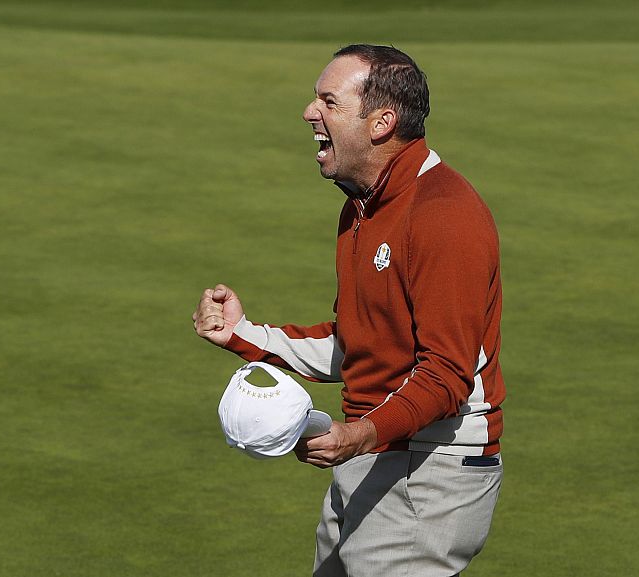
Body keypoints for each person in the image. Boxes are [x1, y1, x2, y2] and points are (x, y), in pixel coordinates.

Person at [193, 44, 505, 577]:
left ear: (381, 122)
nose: (309, 112)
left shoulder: (443, 217)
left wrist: (359, 435)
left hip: (424, 470)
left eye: (328, 101)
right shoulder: (362, 206)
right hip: (377, 454)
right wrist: (242, 334)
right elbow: (359, 344)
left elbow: (446, 373)